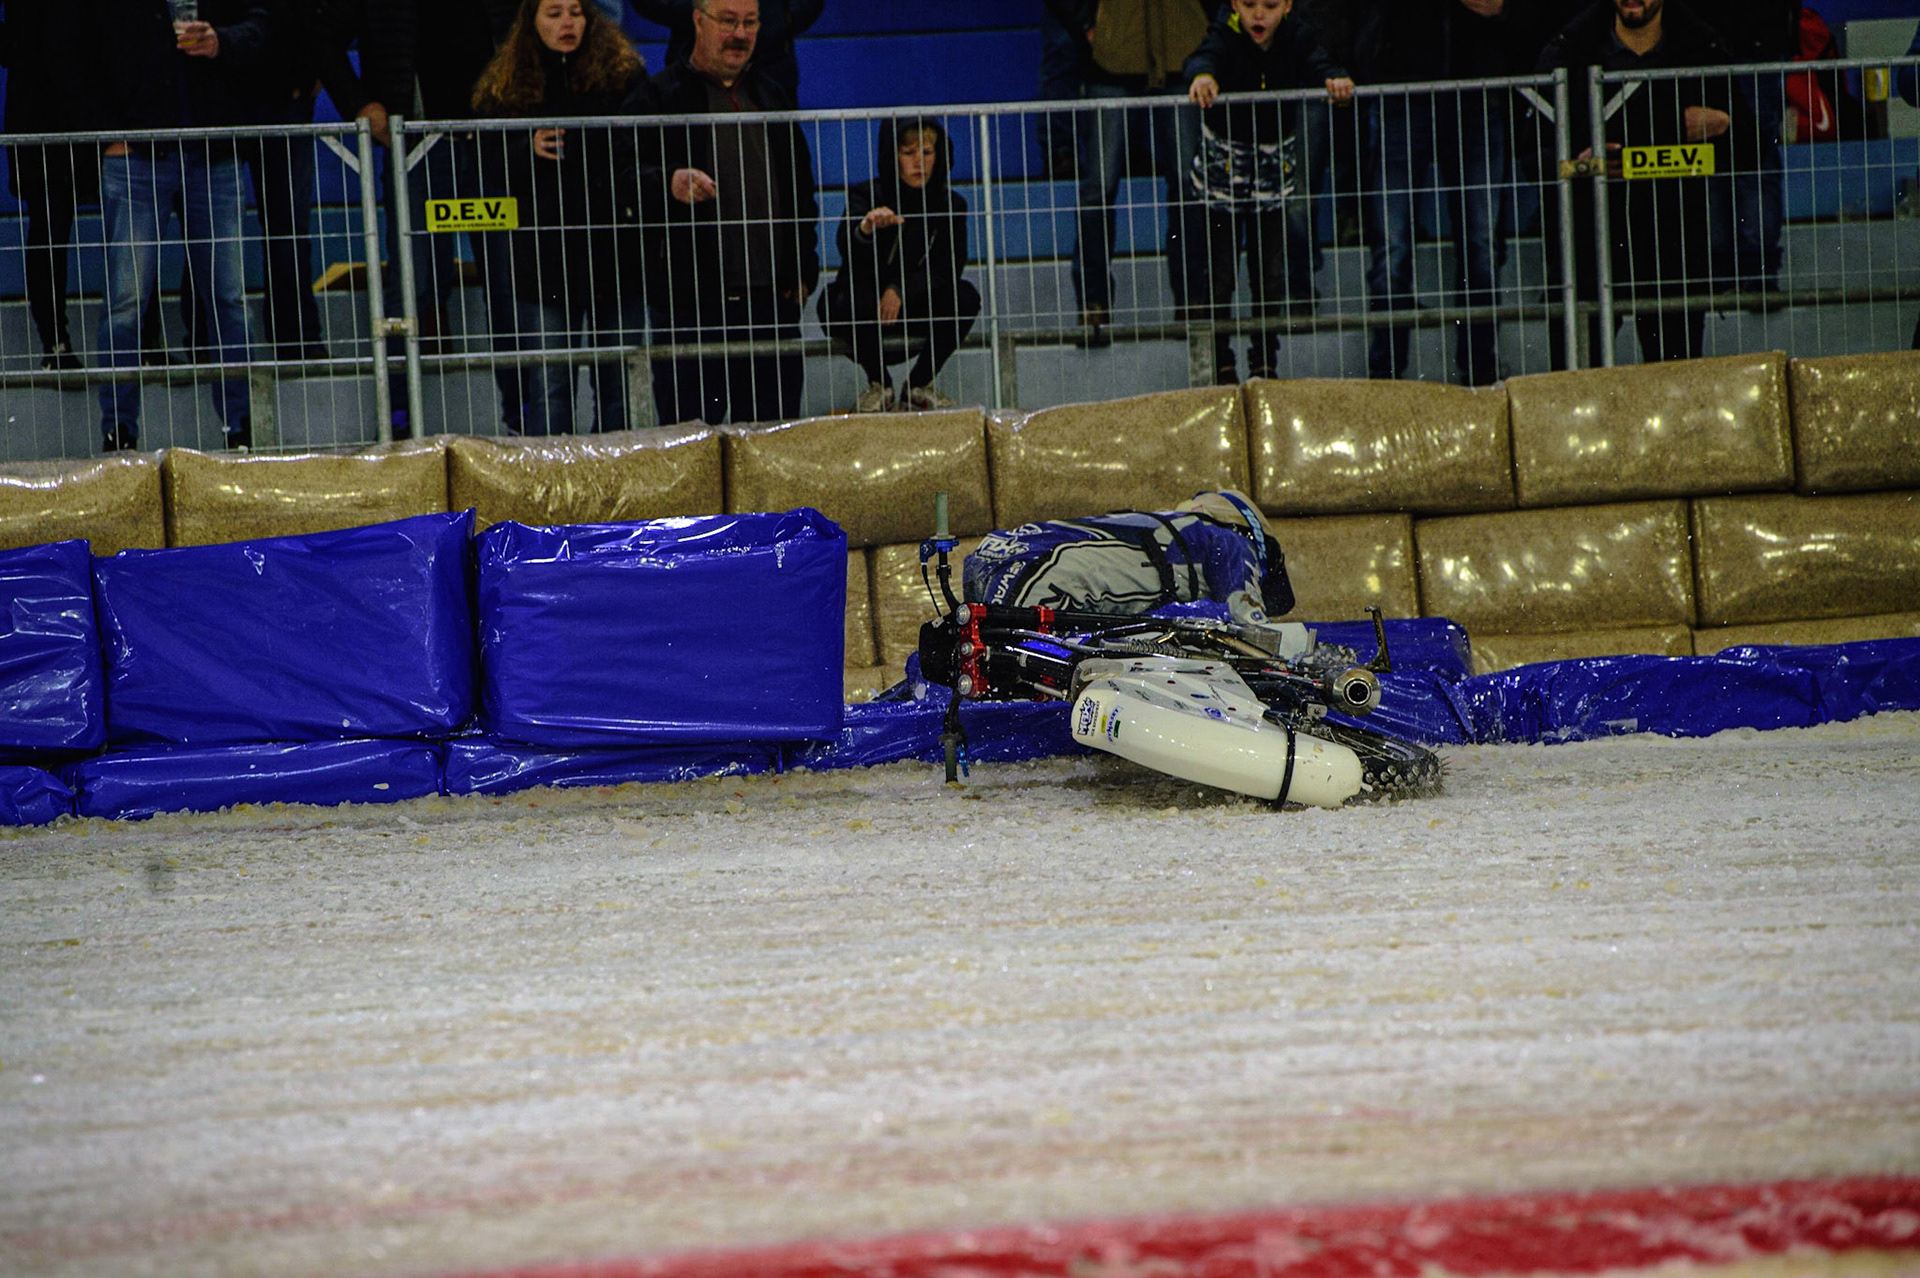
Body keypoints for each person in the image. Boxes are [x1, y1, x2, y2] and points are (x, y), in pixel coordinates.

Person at [312, 0, 520, 435]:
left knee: (510, 287)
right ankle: (399, 426)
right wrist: (360, 103)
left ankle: (525, 426)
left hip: (496, 143)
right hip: (417, 144)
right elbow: (321, 39)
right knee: (413, 288)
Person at [91, 0, 270, 452]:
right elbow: (76, 44)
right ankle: (119, 435)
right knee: (126, 302)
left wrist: (220, 41)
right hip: (135, 153)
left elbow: (264, 25)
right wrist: (106, 131)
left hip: (215, 151)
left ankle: (242, 431)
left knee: (229, 299)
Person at [1537, 0, 1754, 364]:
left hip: (1673, 247)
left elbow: (1750, 150)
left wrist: (1724, 125)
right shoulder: (1567, 52)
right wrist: (1577, 159)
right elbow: (1534, 151)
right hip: (1589, 247)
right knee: (1576, 386)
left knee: (1673, 384)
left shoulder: (1703, 51)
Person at [636, 0, 820, 426]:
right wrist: (668, 183)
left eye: (750, 22)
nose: (740, 34)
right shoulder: (658, 97)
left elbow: (800, 189)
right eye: (728, 21)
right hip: (692, 309)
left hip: (771, 306)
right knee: (694, 453)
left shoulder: (773, 94)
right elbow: (621, 173)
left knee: (771, 448)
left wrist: (802, 266)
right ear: (698, 22)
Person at [473, 0, 650, 434]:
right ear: (531, 21)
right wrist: (525, 149)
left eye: (575, 12)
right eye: (554, 13)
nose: (567, 23)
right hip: (544, 260)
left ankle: (625, 482)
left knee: (620, 387)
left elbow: (641, 151)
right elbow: (483, 163)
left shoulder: (625, 77)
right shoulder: (506, 86)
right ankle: (552, 491)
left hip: (614, 254)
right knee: (550, 387)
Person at [1182, 0, 1352, 384]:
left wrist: (1335, 77)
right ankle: (1222, 361)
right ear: (1234, 5)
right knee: (1219, 275)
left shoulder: (1298, 35)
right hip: (1223, 172)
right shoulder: (1224, 32)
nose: (1259, 15)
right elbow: (1201, 58)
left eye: (1270, 5)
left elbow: (1319, 61)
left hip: (1273, 172)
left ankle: (1264, 362)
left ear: (1288, 6)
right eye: (1249, 4)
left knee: (1269, 275)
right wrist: (1203, 77)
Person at [1353, 0, 1513, 387]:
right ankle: (1386, 374)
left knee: (1481, 243)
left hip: (1477, 92)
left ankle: (1480, 370)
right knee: (1392, 247)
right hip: (1400, 90)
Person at [1044, 0, 1212, 345]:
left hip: (1183, 55)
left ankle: (1193, 302)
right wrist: (1088, 23)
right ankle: (1093, 305)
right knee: (1099, 187)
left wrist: (1206, 25)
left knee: (1187, 185)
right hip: (1111, 59)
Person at [815, 117, 979, 413]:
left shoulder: (951, 204)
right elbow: (847, 253)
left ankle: (919, 384)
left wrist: (901, 289)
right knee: (838, 300)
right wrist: (866, 229)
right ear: (892, 156)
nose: (920, 162)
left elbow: (948, 267)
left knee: (965, 296)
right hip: (865, 310)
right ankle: (880, 385)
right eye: (908, 153)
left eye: (927, 152)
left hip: (914, 305)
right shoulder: (865, 195)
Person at [1, 6, 92, 371]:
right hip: (41, 114)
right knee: (49, 229)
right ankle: (54, 340)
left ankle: (144, 340)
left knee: (130, 215)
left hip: (90, 108)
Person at [629, 0, 821, 99]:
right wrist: (706, 13)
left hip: (771, 66)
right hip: (692, 71)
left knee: (778, 165)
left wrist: (781, 16)